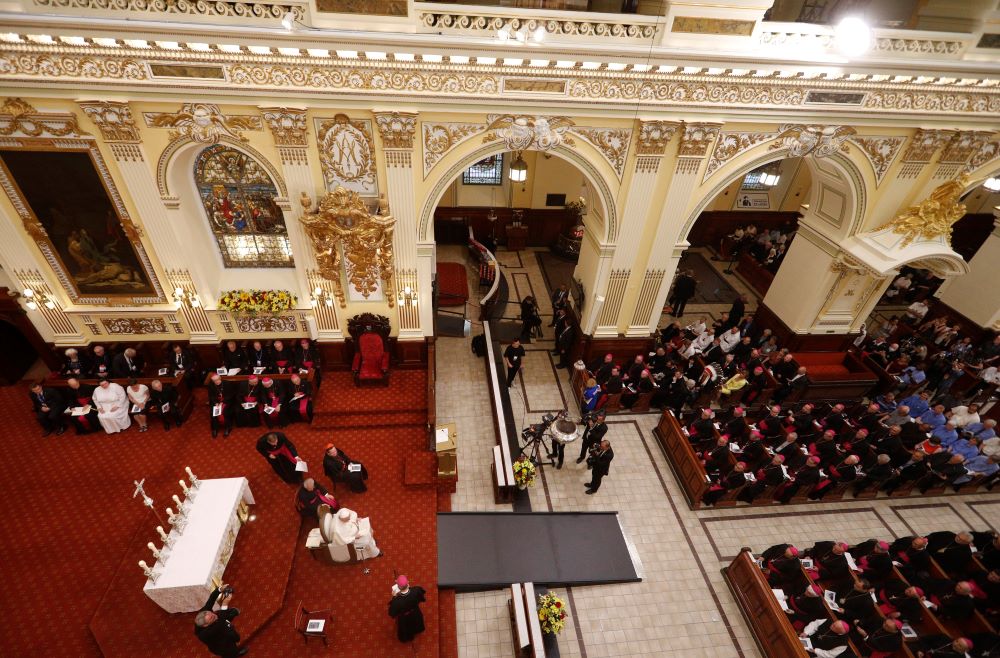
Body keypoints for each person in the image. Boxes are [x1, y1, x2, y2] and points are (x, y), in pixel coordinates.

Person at [193, 583, 247, 657]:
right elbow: (221, 623)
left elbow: (211, 600)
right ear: (206, 625)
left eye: (211, 613)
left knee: (225, 614)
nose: (214, 615)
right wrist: (225, 604)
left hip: (220, 627)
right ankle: (235, 654)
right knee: (231, 651)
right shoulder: (205, 634)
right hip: (222, 646)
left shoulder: (204, 613)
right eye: (211, 618)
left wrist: (219, 589)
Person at [388, 575, 426, 643]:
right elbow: (421, 596)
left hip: (405, 618)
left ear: (398, 587)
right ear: (408, 582)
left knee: (407, 628)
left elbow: (392, 613)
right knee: (417, 622)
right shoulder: (416, 590)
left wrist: (394, 597)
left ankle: (409, 637)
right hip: (415, 612)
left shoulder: (396, 601)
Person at [207, 373, 233, 438]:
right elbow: (211, 396)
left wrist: (223, 402)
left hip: (226, 401)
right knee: (213, 413)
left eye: (218, 380)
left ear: (220, 378)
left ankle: (227, 428)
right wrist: (216, 403)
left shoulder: (227, 383)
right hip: (216, 402)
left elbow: (230, 395)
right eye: (215, 381)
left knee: (225, 412)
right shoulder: (211, 385)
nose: (217, 382)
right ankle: (214, 429)